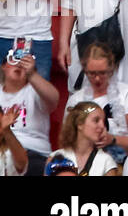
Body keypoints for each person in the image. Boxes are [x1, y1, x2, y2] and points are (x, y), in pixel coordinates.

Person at [0, 48, 57, 176]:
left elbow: (54, 99)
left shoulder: (35, 91)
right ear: (4, 66)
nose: (19, 64)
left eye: (23, 62)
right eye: (14, 60)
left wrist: (32, 74)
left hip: (33, 153)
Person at [49, 103, 119, 176]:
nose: (102, 126)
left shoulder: (106, 161)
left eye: (103, 122)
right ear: (79, 124)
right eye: (96, 120)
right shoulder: (56, 158)